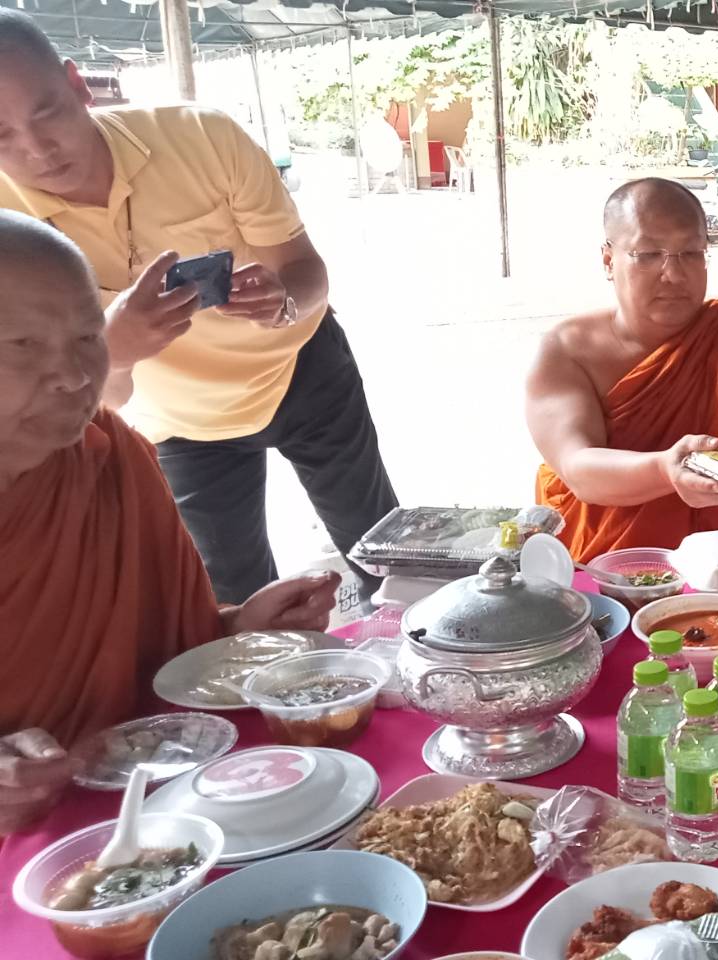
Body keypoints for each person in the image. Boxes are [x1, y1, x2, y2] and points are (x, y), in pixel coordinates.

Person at [0, 11, 397, 605]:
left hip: (305, 373)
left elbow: (307, 271)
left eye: (48, 111)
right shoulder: (11, 234)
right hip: (181, 424)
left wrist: (284, 301)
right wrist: (114, 350)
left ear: (78, 84)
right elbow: (97, 404)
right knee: (230, 600)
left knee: (386, 554)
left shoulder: (203, 137)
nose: (38, 149)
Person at [0, 211, 339, 836]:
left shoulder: (107, 453)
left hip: (162, 801)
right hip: (33, 850)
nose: (76, 378)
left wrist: (239, 629)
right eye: (23, 346)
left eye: (86, 338)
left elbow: (160, 658)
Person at [529, 178, 718, 567]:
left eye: (691, 252)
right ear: (609, 260)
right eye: (648, 254)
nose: (674, 274)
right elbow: (579, 469)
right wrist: (665, 469)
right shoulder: (567, 351)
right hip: (617, 569)